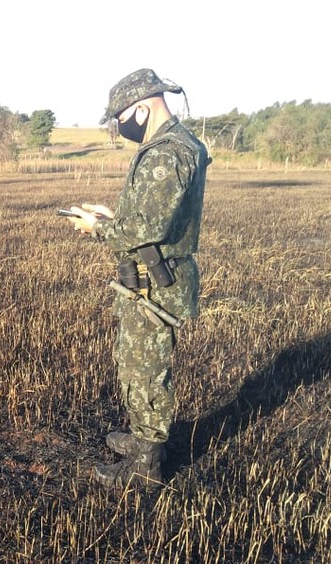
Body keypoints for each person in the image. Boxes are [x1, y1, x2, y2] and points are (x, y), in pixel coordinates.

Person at [65, 69, 210, 487]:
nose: (119, 126)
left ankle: (147, 468)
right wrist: (115, 217)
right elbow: (151, 219)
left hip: (155, 283)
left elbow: (144, 230)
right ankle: (142, 437)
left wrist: (96, 228)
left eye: (122, 117)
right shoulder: (173, 145)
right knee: (135, 364)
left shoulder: (167, 153)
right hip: (148, 275)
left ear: (143, 108)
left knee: (146, 371)